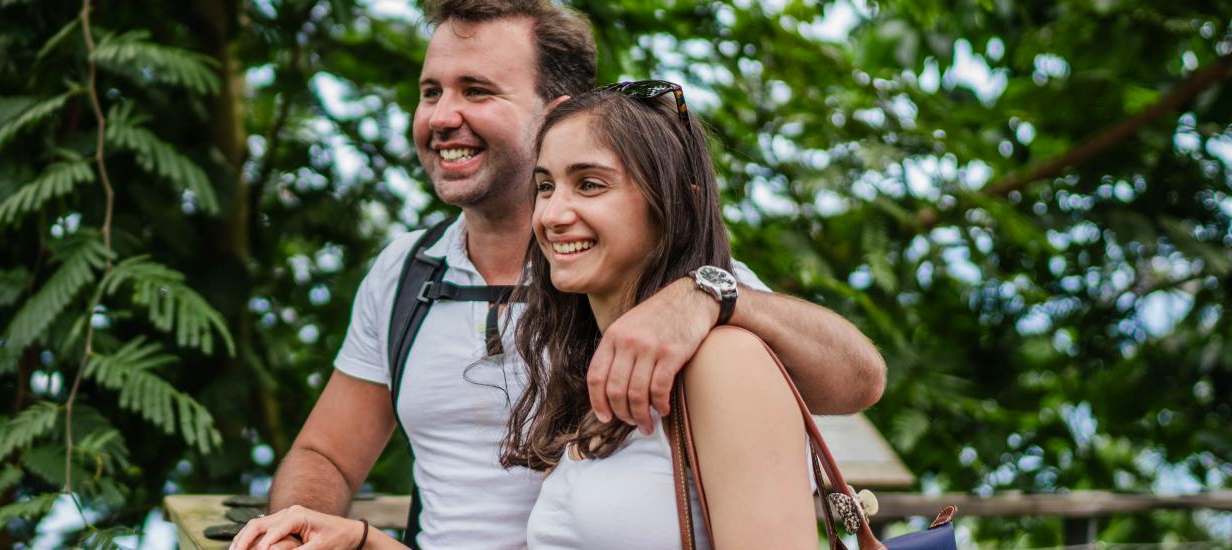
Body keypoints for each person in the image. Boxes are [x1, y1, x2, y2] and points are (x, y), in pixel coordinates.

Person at [231, 1, 885, 548]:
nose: (440, 116)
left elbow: (858, 378)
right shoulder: (412, 274)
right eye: (431, 91)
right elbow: (325, 455)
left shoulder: (688, 302)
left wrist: (711, 294)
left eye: (477, 90)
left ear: (559, 113)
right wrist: (317, 536)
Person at [504, 81, 815, 548]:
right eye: (546, 186)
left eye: (589, 184)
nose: (552, 214)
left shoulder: (725, 360)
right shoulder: (602, 366)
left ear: (672, 204)